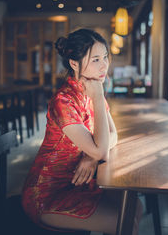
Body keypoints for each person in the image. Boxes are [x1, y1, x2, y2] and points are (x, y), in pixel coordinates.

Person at [22, 28, 142, 235]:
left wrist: (91, 156)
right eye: (95, 59)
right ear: (74, 64)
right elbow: (103, 150)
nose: (104, 65)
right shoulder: (64, 101)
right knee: (125, 222)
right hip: (47, 192)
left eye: (105, 57)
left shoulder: (93, 89)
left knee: (135, 208)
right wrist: (96, 152)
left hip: (79, 183)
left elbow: (114, 136)